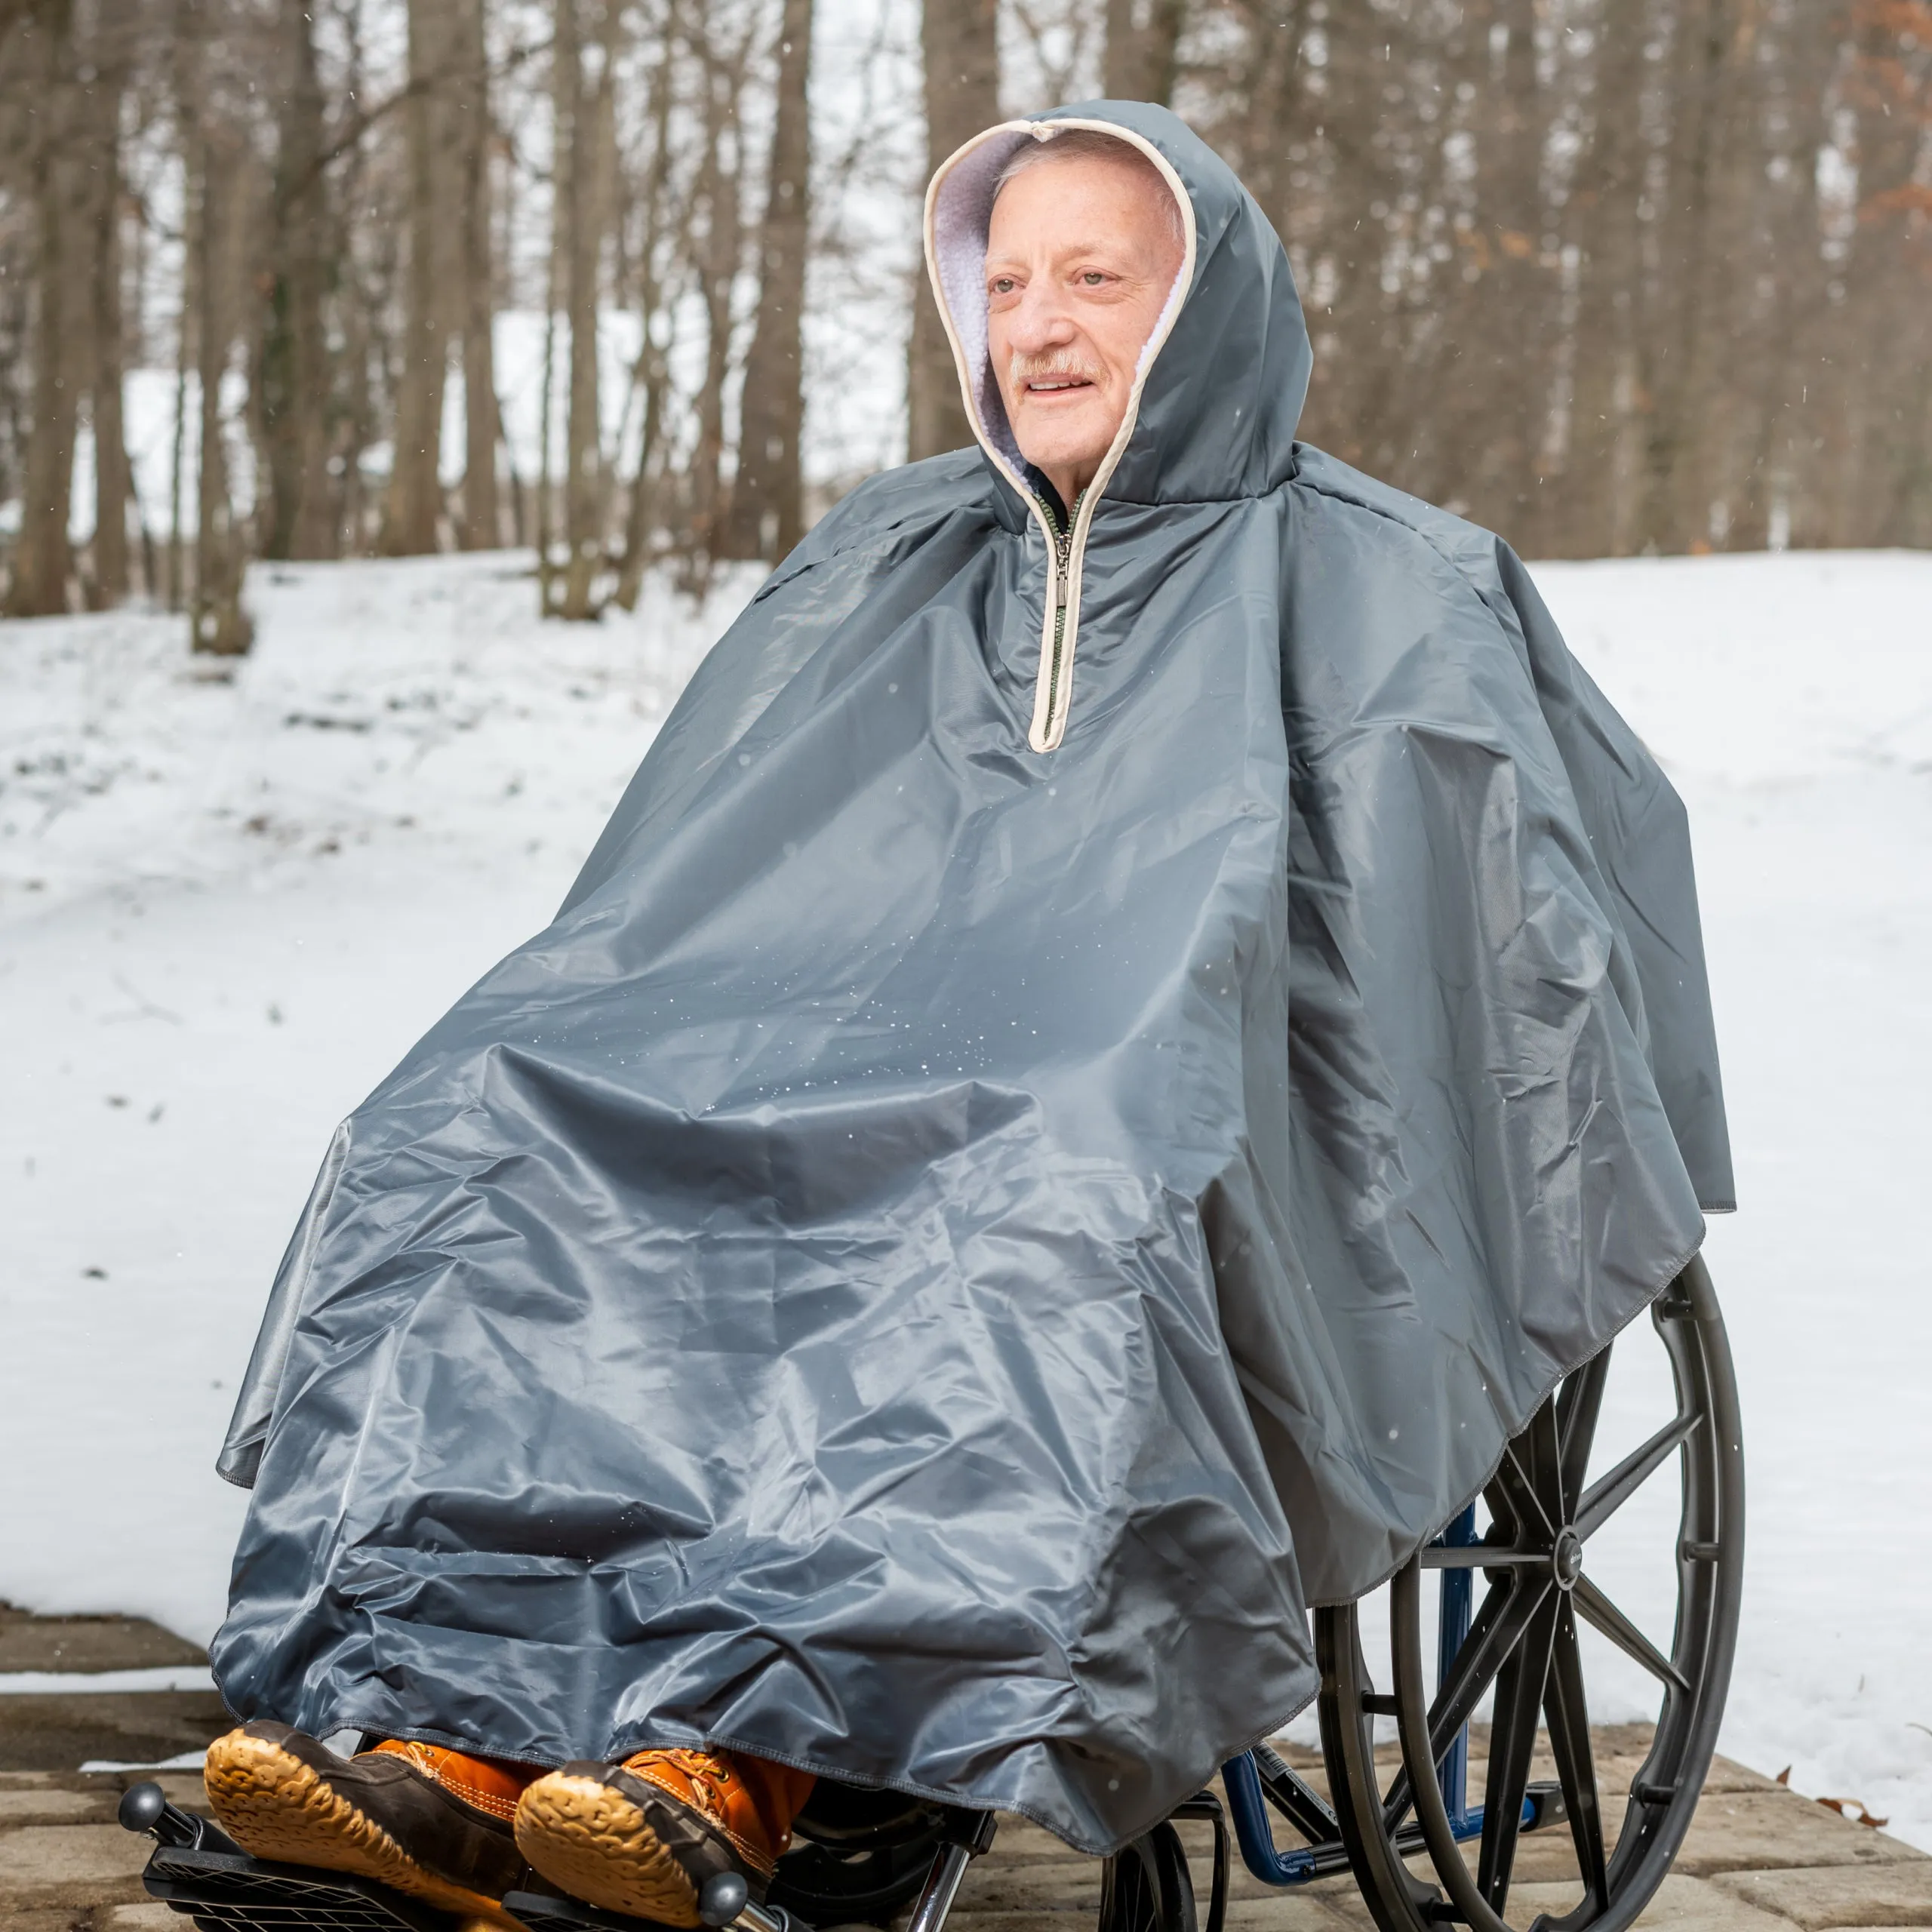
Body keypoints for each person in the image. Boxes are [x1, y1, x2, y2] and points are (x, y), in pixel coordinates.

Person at [201, 103, 1730, 1932]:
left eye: (1097, 276)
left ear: (1205, 303)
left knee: (1034, 1178)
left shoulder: (1388, 580)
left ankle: (750, 1756)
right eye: (1006, 282)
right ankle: (443, 1733)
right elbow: (673, 885)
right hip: (846, 1043)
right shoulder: (887, 553)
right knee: (490, 1112)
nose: (1042, 325)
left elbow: (1484, 951)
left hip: (1196, 1108)